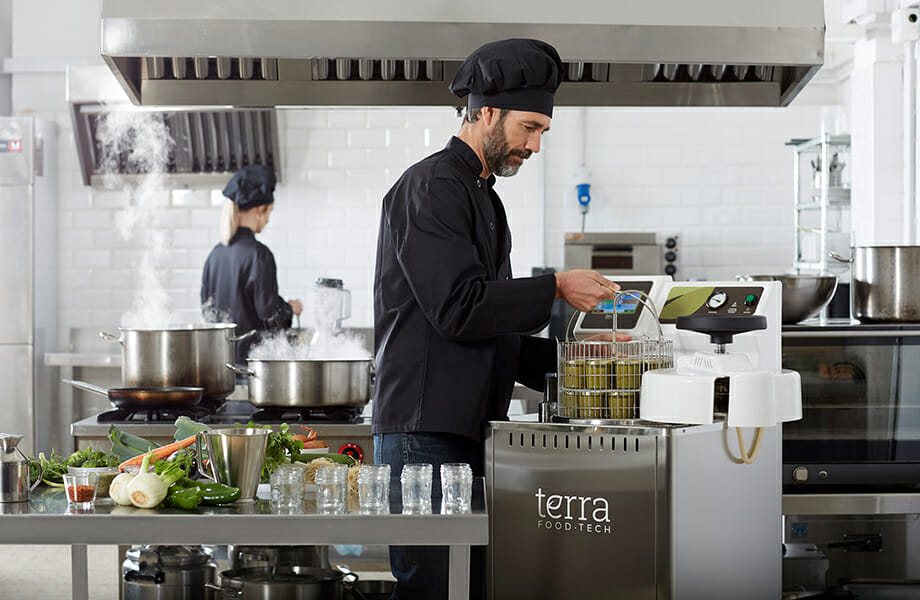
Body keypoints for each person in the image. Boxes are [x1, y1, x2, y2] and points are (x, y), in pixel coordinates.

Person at [372, 38, 622, 599]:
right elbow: (459, 308)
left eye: (542, 132)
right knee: (431, 590)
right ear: (486, 113)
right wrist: (556, 286)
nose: (534, 145)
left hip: (462, 427)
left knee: (465, 586)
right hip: (425, 431)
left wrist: (579, 362)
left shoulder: (483, 196)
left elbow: (492, 328)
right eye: (528, 127)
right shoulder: (433, 187)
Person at [201, 164, 303, 364]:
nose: (267, 220)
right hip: (253, 368)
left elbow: (207, 312)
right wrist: (290, 309)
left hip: (221, 367)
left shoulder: (215, 255)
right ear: (259, 210)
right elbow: (270, 314)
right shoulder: (259, 255)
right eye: (269, 212)